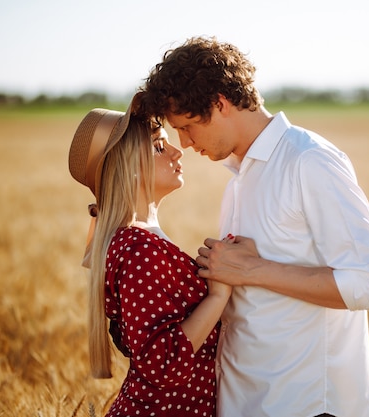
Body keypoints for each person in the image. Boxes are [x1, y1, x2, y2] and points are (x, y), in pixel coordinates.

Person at [139, 36, 369, 417]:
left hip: (305, 403)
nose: (185, 144)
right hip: (244, 402)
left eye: (188, 127)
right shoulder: (238, 179)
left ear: (219, 103)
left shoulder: (309, 161)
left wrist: (253, 270)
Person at [68, 93, 231, 417]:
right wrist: (218, 296)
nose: (176, 151)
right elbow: (163, 364)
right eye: (158, 146)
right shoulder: (139, 249)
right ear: (127, 167)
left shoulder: (141, 240)